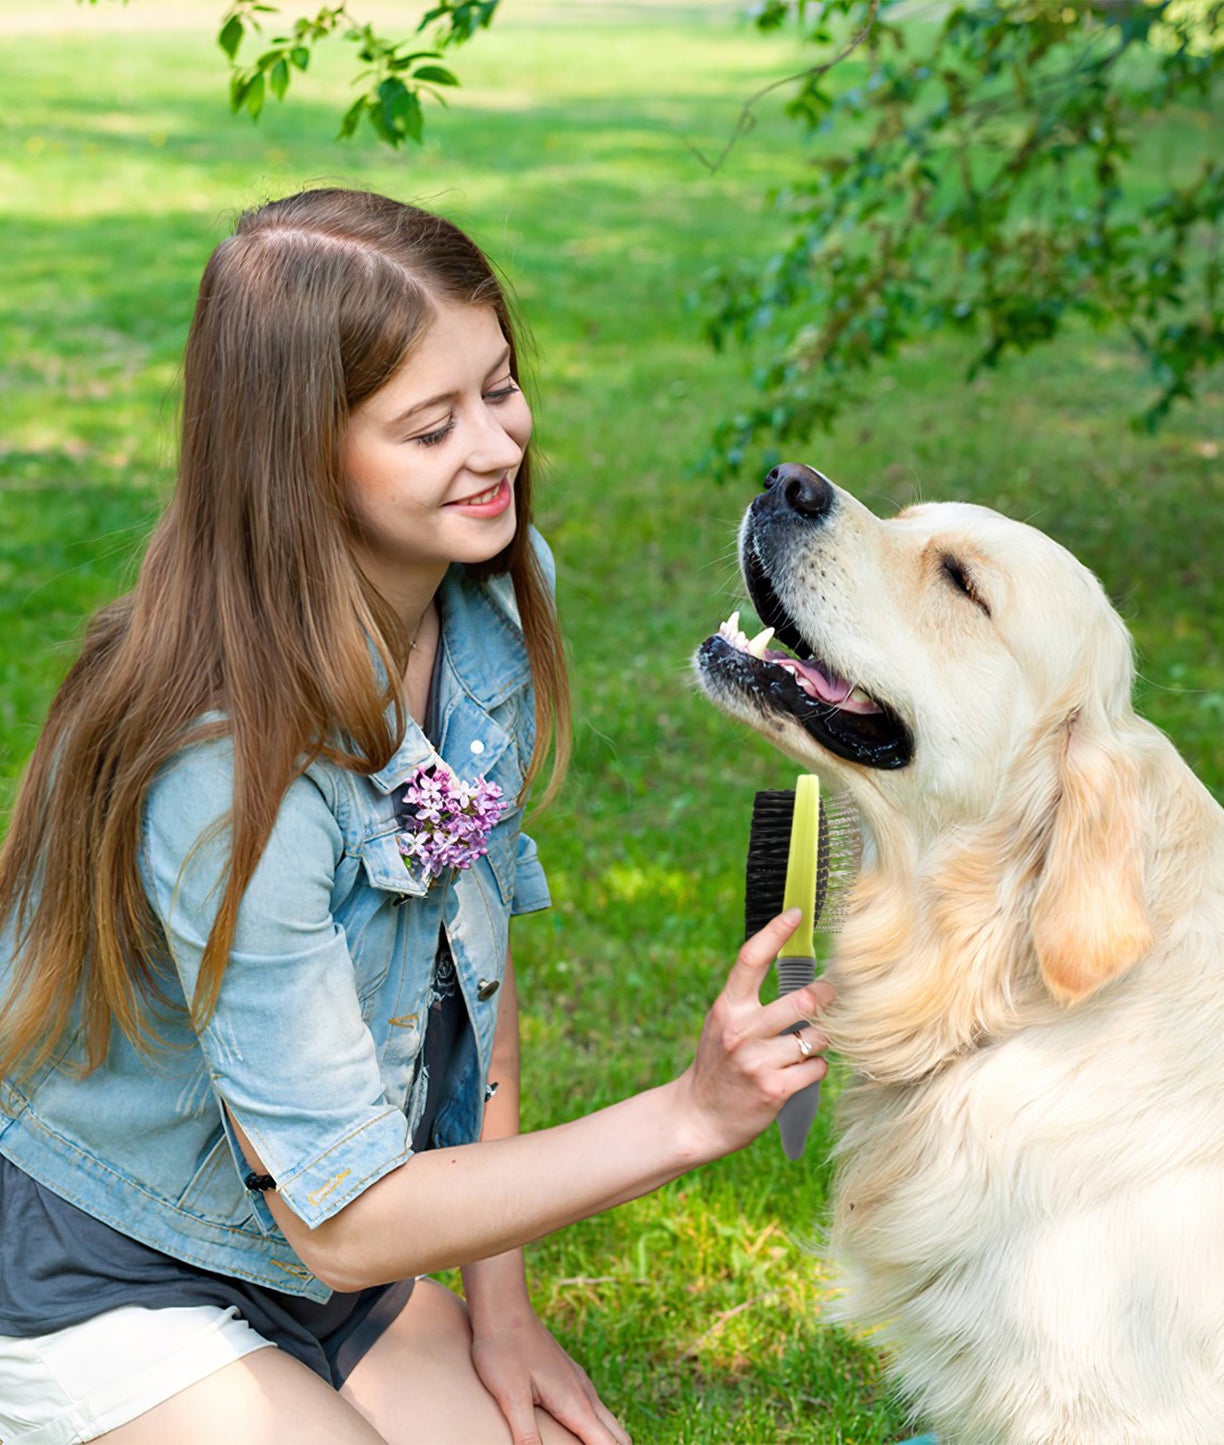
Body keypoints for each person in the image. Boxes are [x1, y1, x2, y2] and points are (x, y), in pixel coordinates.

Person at [0, 188, 830, 1445]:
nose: (496, 449)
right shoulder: (228, 780)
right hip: (111, 1263)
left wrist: (499, 1306)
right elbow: (344, 1217)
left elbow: (466, 976)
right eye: (430, 424)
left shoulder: (489, 603)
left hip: (323, 1255)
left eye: (497, 389)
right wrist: (684, 1115)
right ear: (298, 459)